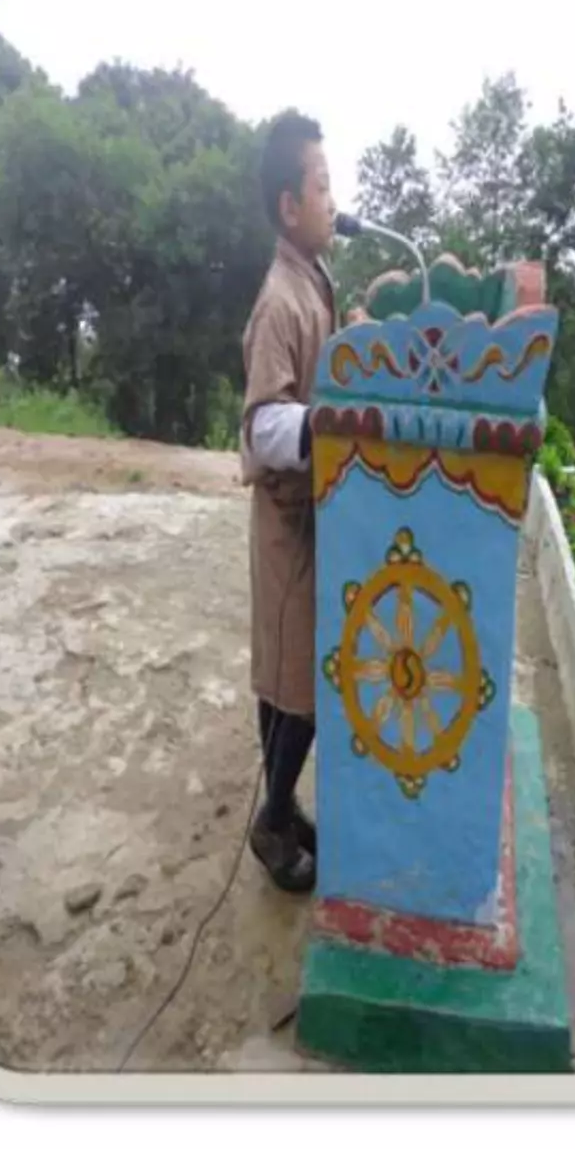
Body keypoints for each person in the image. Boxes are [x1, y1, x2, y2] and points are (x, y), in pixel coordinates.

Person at [239, 111, 339, 893]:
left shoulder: (314, 282)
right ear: (288, 208)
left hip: (314, 520)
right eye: (323, 184)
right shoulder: (281, 300)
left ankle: (280, 801)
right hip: (288, 523)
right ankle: (271, 823)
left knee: (292, 681)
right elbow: (264, 422)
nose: (335, 200)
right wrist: (330, 422)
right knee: (295, 686)